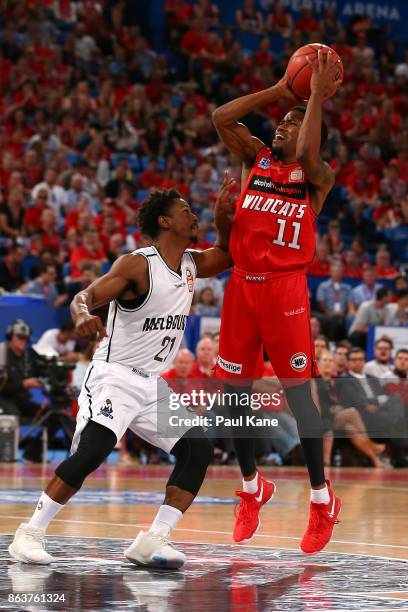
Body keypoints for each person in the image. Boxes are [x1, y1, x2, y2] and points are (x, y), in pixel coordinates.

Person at [9, 175, 235, 568]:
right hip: (115, 376)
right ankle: (30, 532)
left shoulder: (190, 264)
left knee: (197, 447)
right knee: (94, 451)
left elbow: (229, 255)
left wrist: (222, 218)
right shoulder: (137, 265)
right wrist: (81, 315)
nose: (191, 213)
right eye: (184, 209)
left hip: (152, 384)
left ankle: (153, 540)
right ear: (164, 222)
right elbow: (86, 296)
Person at [212, 50, 341, 554]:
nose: (282, 126)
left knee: (299, 397)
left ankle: (320, 497)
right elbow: (220, 117)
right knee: (232, 400)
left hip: (286, 289)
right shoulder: (255, 159)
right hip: (242, 286)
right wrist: (283, 90)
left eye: (292, 122)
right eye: (280, 123)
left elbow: (309, 153)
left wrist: (310, 101)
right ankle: (251, 488)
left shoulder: (317, 177)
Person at [315, 350, 385, 468]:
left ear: (334, 364)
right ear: (318, 363)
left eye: (331, 361)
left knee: (350, 428)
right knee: (352, 412)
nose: (328, 363)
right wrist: (334, 409)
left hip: (339, 418)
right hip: (325, 418)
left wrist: (339, 408)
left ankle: (375, 460)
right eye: (325, 360)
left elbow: (343, 402)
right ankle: (369, 443)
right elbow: (320, 405)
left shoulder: (336, 382)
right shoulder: (316, 381)